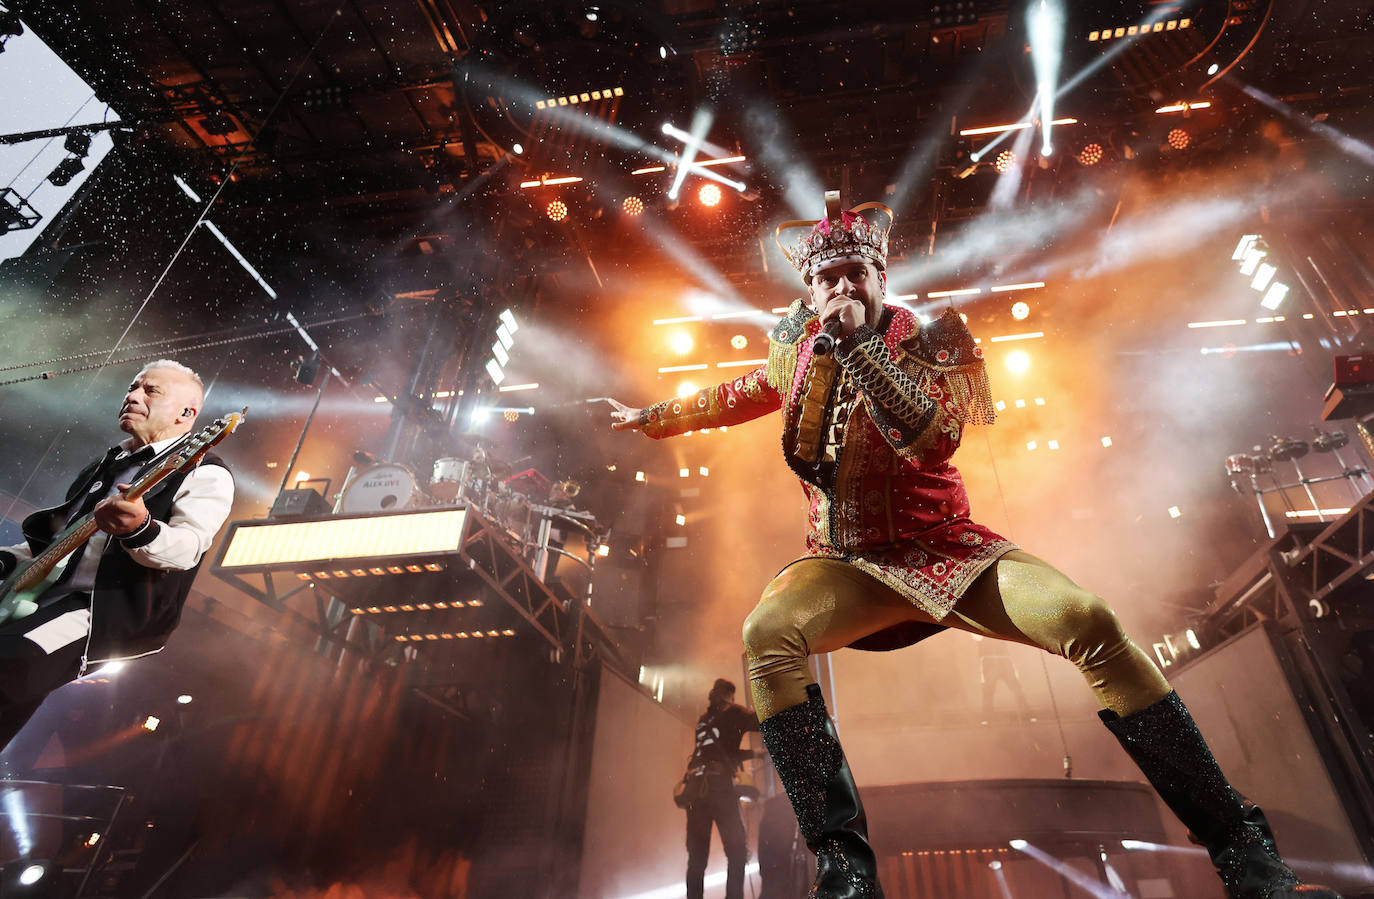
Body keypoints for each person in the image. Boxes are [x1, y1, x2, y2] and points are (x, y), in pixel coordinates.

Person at [610, 194, 1339, 899]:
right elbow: (732, 395)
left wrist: (863, 346)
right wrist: (650, 416)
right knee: (766, 634)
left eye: (853, 273)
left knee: (1090, 620)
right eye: (826, 277)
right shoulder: (792, 351)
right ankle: (847, 871)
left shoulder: (937, 338)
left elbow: (936, 438)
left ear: (879, 278)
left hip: (949, 550)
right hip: (848, 561)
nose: (839, 286)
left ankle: (1247, 856)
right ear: (810, 286)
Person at [0, 360, 234, 753]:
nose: (132, 396)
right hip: (39, 599)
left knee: (10, 667)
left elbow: (189, 548)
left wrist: (140, 527)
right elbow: (56, 543)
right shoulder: (105, 464)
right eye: (132, 387)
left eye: (150, 390)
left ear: (187, 414)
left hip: (92, 612)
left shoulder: (204, 470)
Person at [682, 678, 759, 899]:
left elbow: (720, 752)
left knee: (697, 858)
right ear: (730, 696)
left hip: (696, 790)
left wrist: (752, 754)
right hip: (720, 789)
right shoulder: (735, 712)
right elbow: (762, 722)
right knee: (736, 854)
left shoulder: (704, 720)